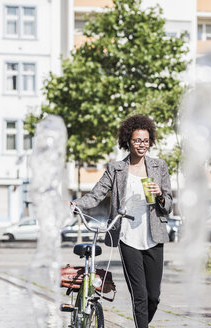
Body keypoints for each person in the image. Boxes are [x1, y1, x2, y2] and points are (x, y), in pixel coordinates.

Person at [72, 114, 172, 328]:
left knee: (153, 297)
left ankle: (142, 322)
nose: (141, 145)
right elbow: (97, 194)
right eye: (137, 140)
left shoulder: (159, 167)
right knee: (140, 296)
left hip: (154, 236)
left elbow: (169, 205)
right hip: (128, 239)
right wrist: (77, 204)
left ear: (150, 141)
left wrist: (161, 195)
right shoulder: (116, 169)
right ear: (128, 140)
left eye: (145, 141)